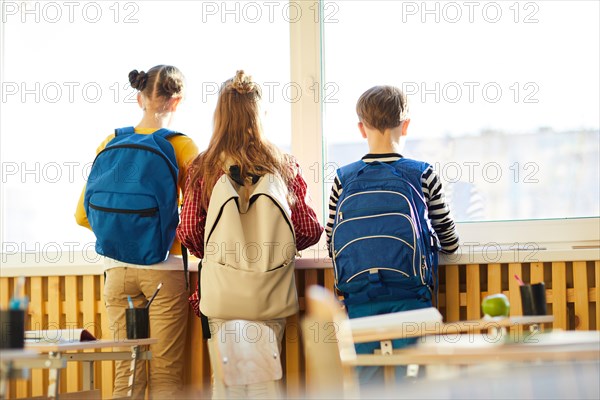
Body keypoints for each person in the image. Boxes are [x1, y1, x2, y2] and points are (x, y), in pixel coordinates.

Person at [177, 70, 323, 398]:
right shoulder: (283, 164)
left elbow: (188, 230)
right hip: (268, 292)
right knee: (264, 384)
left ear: (220, 115)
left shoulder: (203, 166)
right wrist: (274, 249)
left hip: (222, 294)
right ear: (260, 115)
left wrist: (220, 250)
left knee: (226, 385)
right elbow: (310, 228)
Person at [75, 65, 199, 399]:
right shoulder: (182, 146)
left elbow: (82, 214)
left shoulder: (111, 140)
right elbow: (196, 218)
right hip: (163, 270)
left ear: (139, 97)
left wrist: (122, 235)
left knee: (126, 373)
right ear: (177, 101)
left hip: (116, 273)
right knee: (165, 376)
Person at [325, 85, 459, 387]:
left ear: (361, 128)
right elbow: (449, 239)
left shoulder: (343, 178)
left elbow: (331, 237)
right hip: (411, 298)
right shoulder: (422, 173)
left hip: (358, 300)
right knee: (413, 383)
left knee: (367, 382)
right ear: (406, 124)